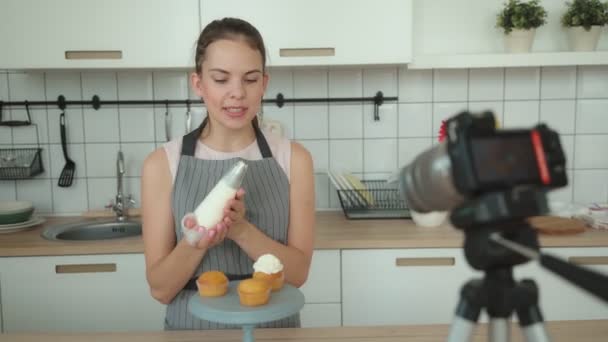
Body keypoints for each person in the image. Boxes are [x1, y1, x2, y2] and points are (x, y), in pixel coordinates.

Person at [140, 17, 315, 330]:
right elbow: (161, 289)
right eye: (221, 79)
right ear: (198, 84)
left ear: (264, 83)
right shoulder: (162, 164)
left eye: (249, 79)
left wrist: (240, 229)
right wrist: (200, 239)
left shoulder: (295, 159)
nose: (237, 93)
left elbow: (298, 274)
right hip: (190, 332)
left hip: (273, 332)